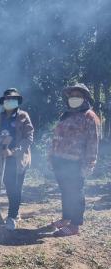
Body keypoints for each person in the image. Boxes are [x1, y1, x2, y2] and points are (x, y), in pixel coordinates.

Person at [48, 83, 100, 237]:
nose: (73, 98)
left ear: (84, 98)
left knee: (75, 192)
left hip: (76, 162)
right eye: (71, 96)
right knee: (65, 190)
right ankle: (66, 219)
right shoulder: (66, 115)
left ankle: (75, 225)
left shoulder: (90, 117)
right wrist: (51, 156)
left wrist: (89, 164)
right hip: (59, 160)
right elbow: (56, 137)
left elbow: (93, 142)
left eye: (77, 95)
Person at [0, 88, 34, 231]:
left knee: (16, 188)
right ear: (3, 102)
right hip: (2, 159)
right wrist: (1, 142)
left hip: (18, 159)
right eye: (7, 99)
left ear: (17, 101)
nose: (10, 102)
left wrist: (13, 152)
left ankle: (12, 217)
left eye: (13, 99)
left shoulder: (23, 117)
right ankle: (15, 209)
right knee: (9, 187)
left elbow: (28, 138)